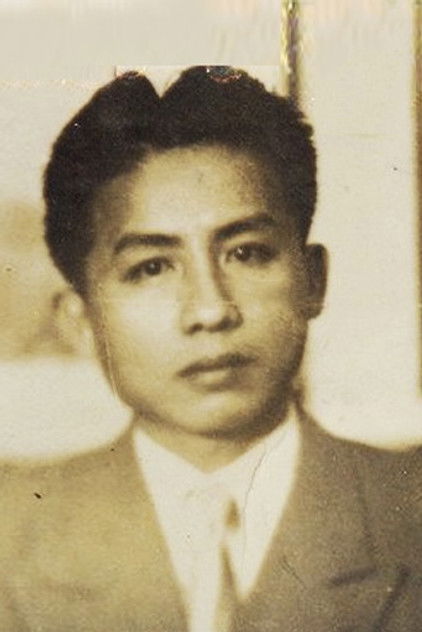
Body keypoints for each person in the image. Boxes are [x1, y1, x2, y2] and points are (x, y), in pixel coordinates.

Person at [0, 66, 420, 631]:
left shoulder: (408, 510)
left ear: (313, 280)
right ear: (79, 321)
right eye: (151, 268)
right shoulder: (10, 534)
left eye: (247, 253)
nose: (210, 310)